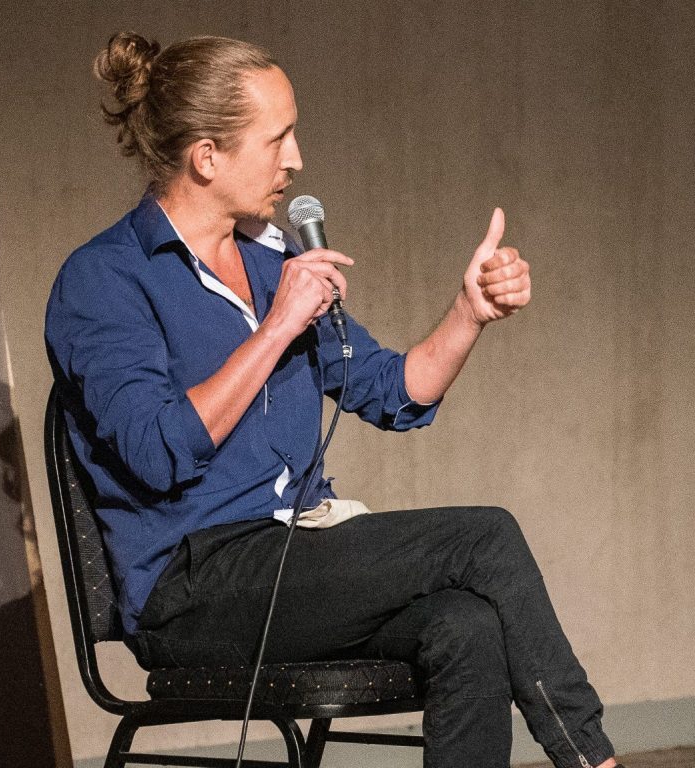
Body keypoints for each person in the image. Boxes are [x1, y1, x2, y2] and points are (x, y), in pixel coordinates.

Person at [45, 32, 621, 768]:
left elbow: (391, 392)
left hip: (299, 554)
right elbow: (157, 452)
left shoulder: (272, 259)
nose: (296, 159)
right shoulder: (105, 279)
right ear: (207, 157)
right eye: (277, 139)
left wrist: (468, 313)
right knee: (484, 537)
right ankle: (595, 761)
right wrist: (277, 327)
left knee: (465, 624)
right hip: (191, 587)